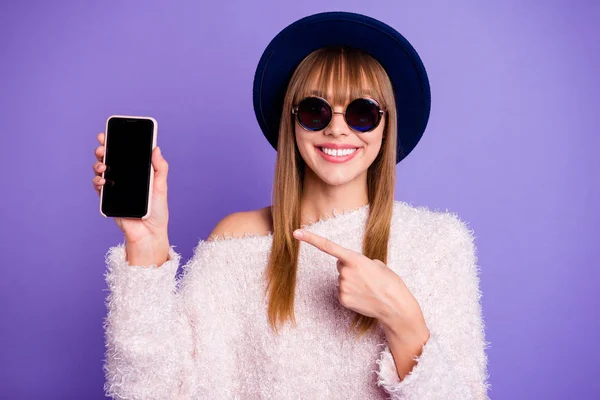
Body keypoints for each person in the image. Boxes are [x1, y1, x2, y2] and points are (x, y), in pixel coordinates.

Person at [92, 11, 490, 400]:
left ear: (386, 127)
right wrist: (145, 248)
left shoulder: (438, 244)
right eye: (316, 111)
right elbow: (153, 392)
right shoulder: (235, 242)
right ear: (292, 121)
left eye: (362, 113)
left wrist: (403, 318)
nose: (337, 128)